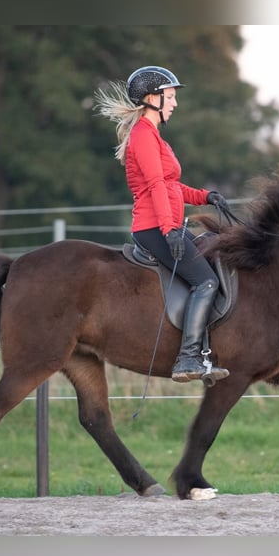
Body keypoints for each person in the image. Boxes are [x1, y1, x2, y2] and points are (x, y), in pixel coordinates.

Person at [94, 65, 230, 384]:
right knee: (206, 282)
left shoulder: (154, 137)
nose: (175, 103)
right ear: (152, 98)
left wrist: (206, 196)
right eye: (170, 96)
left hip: (165, 224)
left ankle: (205, 354)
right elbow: (155, 185)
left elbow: (171, 187)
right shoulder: (143, 135)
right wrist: (169, 230)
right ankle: (187, 359)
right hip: (154, 228)